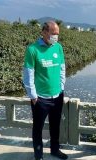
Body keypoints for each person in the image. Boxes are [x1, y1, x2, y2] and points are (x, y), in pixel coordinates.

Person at [23, 21, 67, 160]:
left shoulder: (58, 47)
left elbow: (62, 68)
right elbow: (28, 74)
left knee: (55, 126)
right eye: (53, 34)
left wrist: (61, 88)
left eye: (57, 34)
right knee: (38, 129)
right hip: (40, 98)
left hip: (57, 96)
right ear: (44, 32)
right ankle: (39, 155)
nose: (56, 37)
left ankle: (55, 150)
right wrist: (33, 96)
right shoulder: (32, 50)